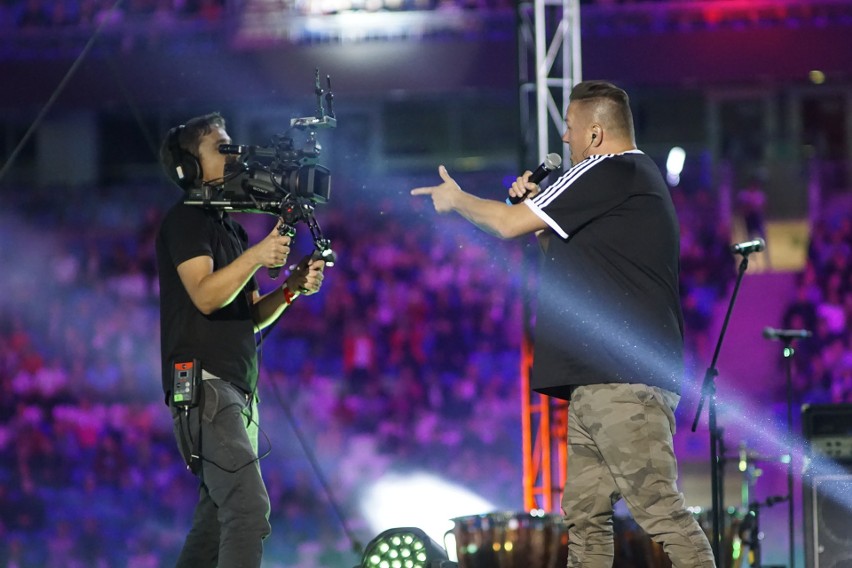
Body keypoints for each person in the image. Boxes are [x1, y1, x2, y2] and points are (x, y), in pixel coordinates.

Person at [411, 81, 714, 567]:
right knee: (585, 519)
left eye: (571, 130)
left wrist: (459, 200)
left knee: (659, 510)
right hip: (600, 382)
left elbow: (508, 226)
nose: (566, 141)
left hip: (622, 382)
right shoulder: (626, 180)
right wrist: (539, 210)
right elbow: (578, 263)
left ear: (596, 133)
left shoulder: (611, 169)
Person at [155, 112, 326, 567]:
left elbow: (248, 316)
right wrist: (256, 255)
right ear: (190, 167)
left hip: (234, 392)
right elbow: (206, 296)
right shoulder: (187, 221)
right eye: (220, 147)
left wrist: (289, 288)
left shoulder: (227, 227)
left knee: (215, 520)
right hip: (206, 387)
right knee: (248, 509)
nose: (234, 155)